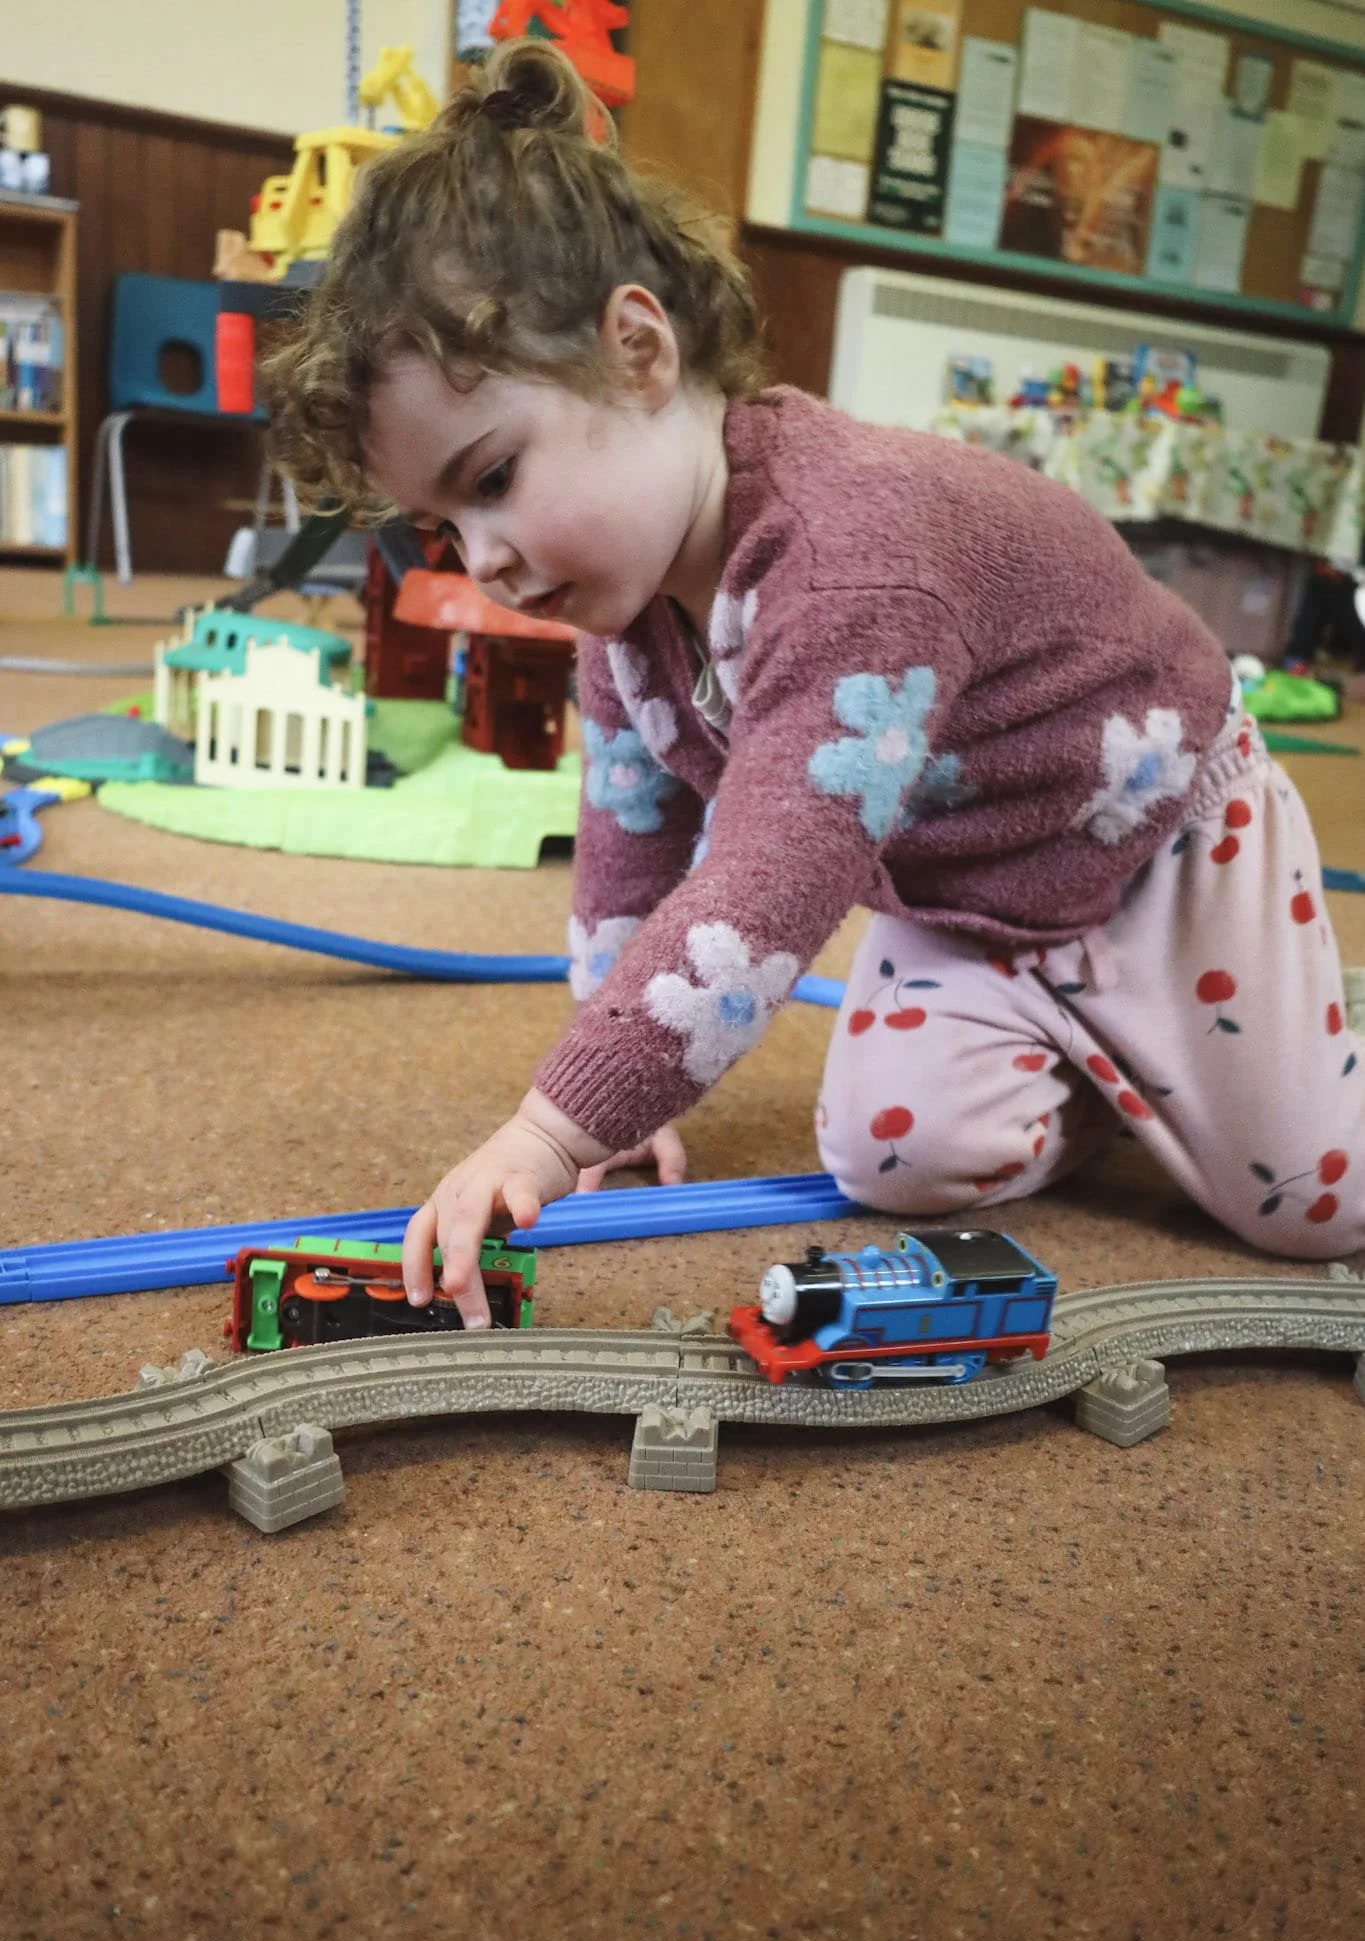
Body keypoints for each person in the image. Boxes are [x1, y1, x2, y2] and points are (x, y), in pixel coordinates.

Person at [264, 38, 1365, 1326]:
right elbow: (631, 848)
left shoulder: (853, 563)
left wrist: (546, 1134)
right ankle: (1096, 1068)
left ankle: (1206, 1052)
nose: (485, 558)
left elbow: (768, 882)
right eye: (443, 528)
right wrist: (608, 1103)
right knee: (897, 1162)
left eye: (493, 478)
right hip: (963, 889)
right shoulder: (617, 609)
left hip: (1160, 839)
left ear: (639, 350)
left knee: (1316, 1207)